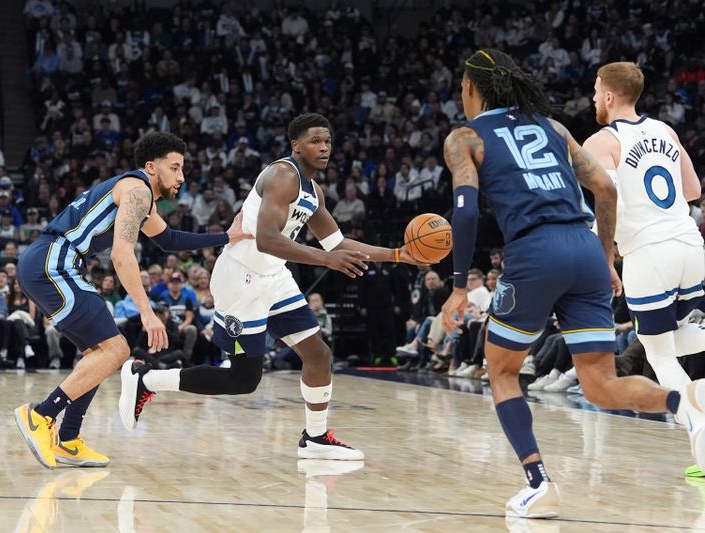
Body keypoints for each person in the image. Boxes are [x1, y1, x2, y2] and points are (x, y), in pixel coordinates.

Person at [439, 49, 705, 520]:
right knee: (601, 383)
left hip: (535, 252)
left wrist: (459, 286)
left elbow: (463, 212)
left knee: (501, 372)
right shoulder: (554, 127)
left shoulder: (465, 138)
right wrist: (605, 257)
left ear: (472, 89)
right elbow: (605, 189)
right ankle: (682, 406)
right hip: (585, 249)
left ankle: (539, 484)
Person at [120, 113, 423, 460]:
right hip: (242, 277)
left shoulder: (314, 192)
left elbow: (337, 243)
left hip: (274, 276)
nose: (324, 147)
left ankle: (316, 437)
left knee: (318, 353)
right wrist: (325, 261)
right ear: (296, 145)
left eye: (327, 142)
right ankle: (146, 379)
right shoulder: (281, 175)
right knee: (243, 380)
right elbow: (266, 239)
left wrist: (400, 254)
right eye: (315, 141)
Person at [13, 132, 252, 469]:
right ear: (152, 167)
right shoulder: (138, 189)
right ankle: (41, 415)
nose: (181, 177)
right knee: (117, 350)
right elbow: (122, 255)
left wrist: (227, 236)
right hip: (55, 262)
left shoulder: (140, 197)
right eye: (175, 167)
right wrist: (147, 312)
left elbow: (168, 239)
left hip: (48, 262)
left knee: (100, 354)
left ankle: (67, 439)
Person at [583, 62, 705, 477]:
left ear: (611, 95)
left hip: (648, 252)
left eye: (597, 90)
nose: (593, 97)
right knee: (680, 340)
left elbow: (607, 196)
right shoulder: (667, 131)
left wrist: (606, 257)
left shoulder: (602, 140)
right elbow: (693, 191)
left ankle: (700, 429)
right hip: (690, 244)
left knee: (658, 354)